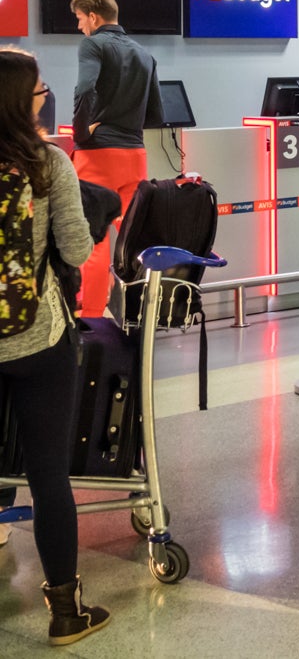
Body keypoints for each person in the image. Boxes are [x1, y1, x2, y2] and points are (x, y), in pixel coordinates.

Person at [0, 49, 109, 644]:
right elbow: (73, 251)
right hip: (36, 337)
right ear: (24, 100)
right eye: (41, 92)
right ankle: (66, 612)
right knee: (47, 475)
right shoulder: (48, 165)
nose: (46, 98)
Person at [69, 0, 158, 318]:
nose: (79, 26)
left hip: (98, 158)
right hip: (135, 156)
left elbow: (84, 88)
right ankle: (144, 313)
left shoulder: (92, 44)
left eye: (79, 19)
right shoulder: (144, 54)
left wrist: (82, 132)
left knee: (95, 244)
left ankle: (91, 318)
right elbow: (155, 113)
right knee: (136, 242)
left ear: (93, 16)